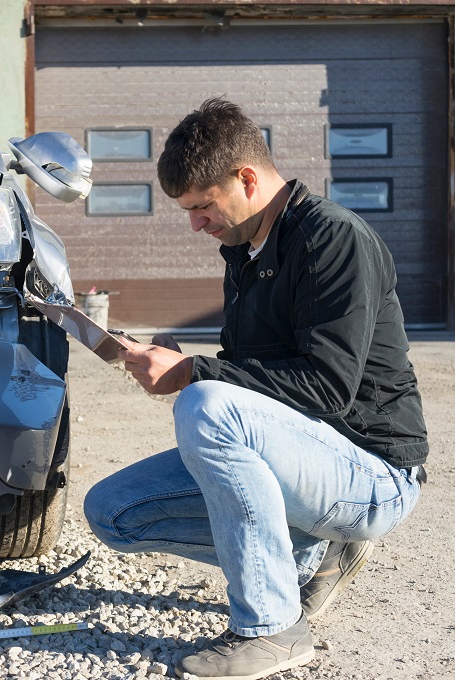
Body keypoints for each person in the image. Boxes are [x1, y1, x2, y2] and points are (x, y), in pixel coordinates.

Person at [84, 97, 429, 680]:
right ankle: (310, 552)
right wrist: (166, 358)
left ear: (246, 178)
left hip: (374, 470)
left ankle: (272, 628)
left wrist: (193, 372)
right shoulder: (244, 251)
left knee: (207, 405)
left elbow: (326, 387)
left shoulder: (332, 240)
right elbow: (258, 380)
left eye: (201, 206)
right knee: (113, 512)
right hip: (307, 460)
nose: (194, 223)